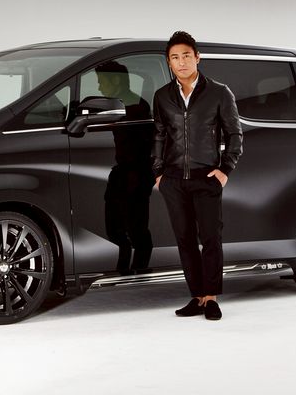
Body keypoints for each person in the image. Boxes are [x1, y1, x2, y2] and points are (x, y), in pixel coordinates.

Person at [152, 31, 243, 320]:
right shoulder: (162, 96)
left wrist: (225, 170)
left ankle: (212, 297)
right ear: (169, 62)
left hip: (207, 177)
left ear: (197, 57)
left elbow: (235, 134)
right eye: (175, 58)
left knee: (211, 238)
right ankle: (197, 297)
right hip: (173, 179)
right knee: (185, 239)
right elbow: (159, 135)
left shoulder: (219, 92)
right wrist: (159, 174)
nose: (181, 62)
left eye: (186, 56)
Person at [96, 61, 154, 274]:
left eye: (102, 81)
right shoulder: (119, 105)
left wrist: (135, 177)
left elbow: (144, 148)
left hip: (135, 174)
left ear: (115, 80)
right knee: (116, 229)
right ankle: (126, 270)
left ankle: (138, 272)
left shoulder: (137, 108)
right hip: (123, 173)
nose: (99, 87)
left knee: (136, 229)